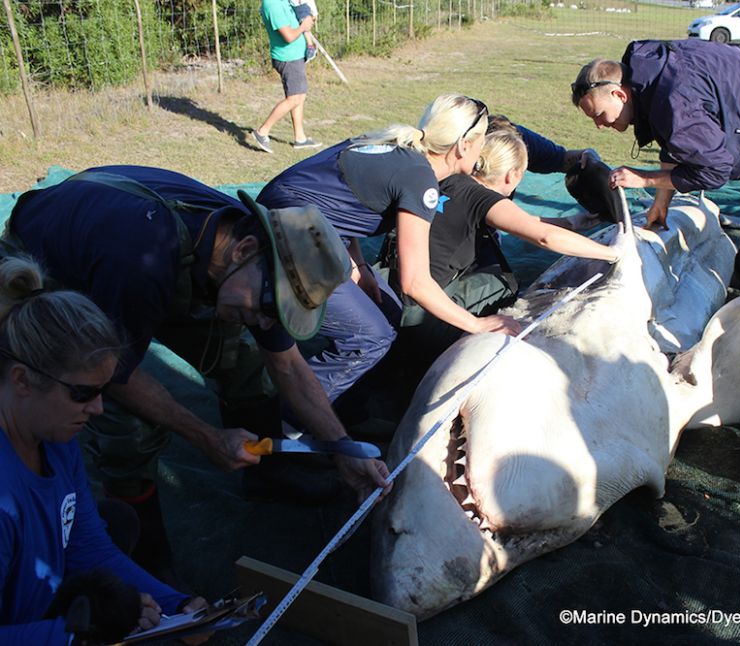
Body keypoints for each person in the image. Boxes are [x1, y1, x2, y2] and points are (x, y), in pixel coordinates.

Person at [6, 165, 390, 582]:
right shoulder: (139, 258)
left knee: (245, 361)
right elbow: (119, 375)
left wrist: (342, 448)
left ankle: (267, 475)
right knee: (123, 421)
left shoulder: (265, 261)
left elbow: (287, 365)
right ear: (242, 249)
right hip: (53, 264)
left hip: (152, 260)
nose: (266, 322)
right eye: (266, 308)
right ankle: (144, 556)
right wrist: (207, 438)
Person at [257, 94, 521, 404]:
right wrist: (475, 323)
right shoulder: (421, 179)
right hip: (291, 232)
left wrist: (362, 268)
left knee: (388, 309)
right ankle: (289, 423)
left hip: (289, 219)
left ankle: (352, 402)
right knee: (370, 337)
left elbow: (342, 208)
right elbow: (416, 281)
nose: (481, 151)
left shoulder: (397, 149)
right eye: (480, 141)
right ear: (463, 145)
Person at [0, 255, 208, 644]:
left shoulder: (53, 439)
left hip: (32, 610)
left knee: (117, 520)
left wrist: (176, 606)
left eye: (103, 391)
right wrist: (77, 635)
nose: (97, 408)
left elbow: (85, 544)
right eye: (82, 393)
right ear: (22, 380)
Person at [572, 39, 740, 295]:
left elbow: (714, 171)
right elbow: (673, 140)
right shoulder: (650, 74)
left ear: (620, 94)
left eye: (598, 114)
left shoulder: (673, 100)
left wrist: (644, 179)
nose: (599, 125)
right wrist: (661, 201)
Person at [388, 124, 620, 364]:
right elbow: (545, 237)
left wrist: (572, 222)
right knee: (501, 284)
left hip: (388, 289)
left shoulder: (451, 179)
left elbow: (520, 221)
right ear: (513, 175)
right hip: (419, 311)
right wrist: (611, 252)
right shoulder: (482, 198)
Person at [252, 0, 322, 153]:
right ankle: (262, 132)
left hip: (295, 56)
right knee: (294, 98)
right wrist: (304, 26)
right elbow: (288, 36)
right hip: (287, 58)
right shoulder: (272, 5)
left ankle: (300, 138)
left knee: (299, 96)